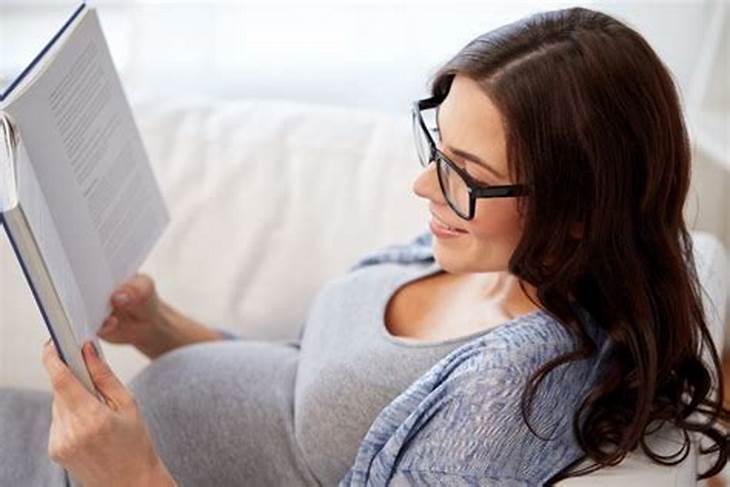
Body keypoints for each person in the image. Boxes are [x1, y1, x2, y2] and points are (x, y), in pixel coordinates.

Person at [1, 6, 727, 486]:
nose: (424, 186)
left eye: (467, 175)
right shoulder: (486, 251)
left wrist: (132, 474)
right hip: (71, 444)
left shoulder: (510, 395)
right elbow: (305, 384)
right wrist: (165, 330)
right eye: (439, 148)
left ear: (577, 213)